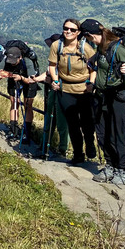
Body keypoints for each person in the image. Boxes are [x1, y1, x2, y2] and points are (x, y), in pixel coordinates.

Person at [82, 18, 125, 185]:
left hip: (118, 97)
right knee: (104, 133)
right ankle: (110, 166)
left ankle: (121, 170)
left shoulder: (118, 49)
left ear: (91, 35)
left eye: (87, 38)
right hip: (103, 96)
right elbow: (97, 63)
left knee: (118, 133)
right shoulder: (101, 48)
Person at [47, 18, 96, 165]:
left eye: (72, 30)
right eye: (66, 28)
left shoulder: (86, 48)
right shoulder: (57, 46)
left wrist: (91, 83)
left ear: (78, 32)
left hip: (84, 90)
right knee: (73, 124)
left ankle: (90, 143)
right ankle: (78, 154)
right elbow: (52, 65)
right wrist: (55, 80)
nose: (68, 31)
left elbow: (94, 68)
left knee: (86, 123)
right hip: (65, 90)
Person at [0, 40, 45, 146]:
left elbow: (31, 80)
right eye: (10, 61)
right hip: (13, 78)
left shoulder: (28, 61)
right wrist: (1, 75)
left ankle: (27, 132)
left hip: (28, 80)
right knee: (14, 103)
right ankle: (14, 130)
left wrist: (21, 78)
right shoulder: (6, 59)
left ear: (20, 57)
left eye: (14, 61)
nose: (12, 63)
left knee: (28, 105)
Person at [40, 31, 70, 159]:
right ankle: (61, 148)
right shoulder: (63, 56)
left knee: (54, 119)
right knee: (60, 121)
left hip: (59, 90)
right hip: (60, 90)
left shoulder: (60, 58)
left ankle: (47, 145)